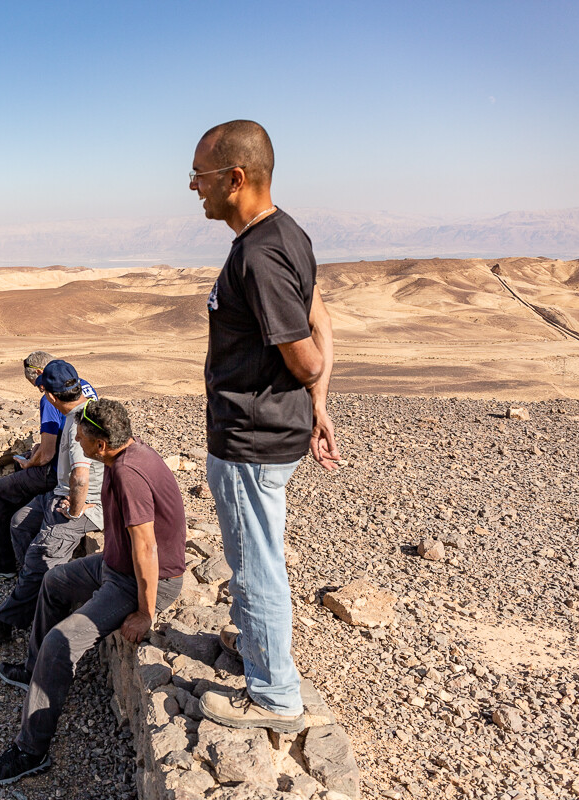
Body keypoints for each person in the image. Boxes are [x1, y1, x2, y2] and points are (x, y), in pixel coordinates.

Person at [188, 120, 339, 733]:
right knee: (257, 556)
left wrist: (313, 384)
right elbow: (321, 313)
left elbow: (306, 349)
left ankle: (274, 696)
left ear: (236, 177)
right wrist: (318, 405)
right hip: (268, 432)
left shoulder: (259, 252)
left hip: (251, 440)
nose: (192, 186)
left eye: (199, 176)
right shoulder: (284, 234)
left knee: (255, 565)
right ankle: (257, 651)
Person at [0, 398, 186, 785]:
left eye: (82, 437)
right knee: (54, 581)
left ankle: (30, 750)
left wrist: (145, 611)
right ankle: (32, 670)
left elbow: (146, 548)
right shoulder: (126, 454)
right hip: (115, 563)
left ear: (101, 444)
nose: (79, 444)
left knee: (62, 641)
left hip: (140, 580)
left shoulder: (128, 475)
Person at [0, 360, 102, 649]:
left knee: (41, 557)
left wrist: (76, 509)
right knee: (20, 522)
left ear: (50, 396)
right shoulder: (88, 407)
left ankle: (6, 622)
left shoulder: (79, 424)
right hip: (61, 492)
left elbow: (80, 476)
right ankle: (35, 592)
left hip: (81, 503)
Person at [0, 351, 96, 580]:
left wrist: (30, 462)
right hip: (84, 463)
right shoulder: (83, 386)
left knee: (0, 490)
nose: (38, 389)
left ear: (41, 376)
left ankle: (2, 563)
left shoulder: (51, 399)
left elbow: (48, 454)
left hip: (59, 470)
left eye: (37, 383)